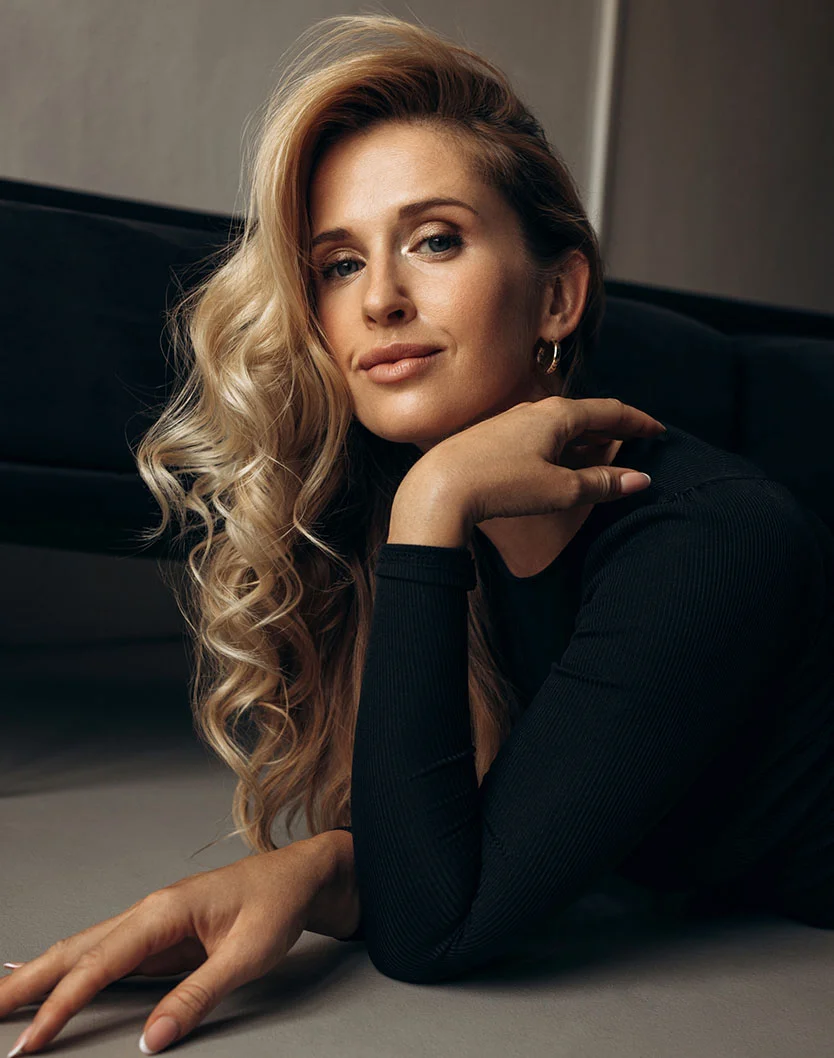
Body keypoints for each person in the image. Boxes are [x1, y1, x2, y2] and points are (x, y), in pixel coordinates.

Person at [4, 13, 834, 1058]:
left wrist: (434, 501)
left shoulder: (708, 540)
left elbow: (437, 928)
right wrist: (312, 868)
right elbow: (455, 846)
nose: (382, 298)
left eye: (435, 238)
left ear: (559, 294)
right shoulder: (395, 502)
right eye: (339, 264)